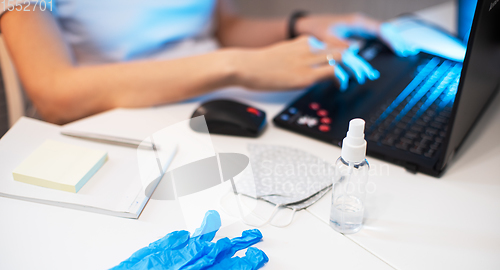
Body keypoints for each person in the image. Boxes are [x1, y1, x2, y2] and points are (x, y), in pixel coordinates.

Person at [0, 0, 401, 125]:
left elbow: (221, 28)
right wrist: (236, 65)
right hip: (109, 120)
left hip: (215, 100)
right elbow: (54, 92)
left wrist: (301, 25)